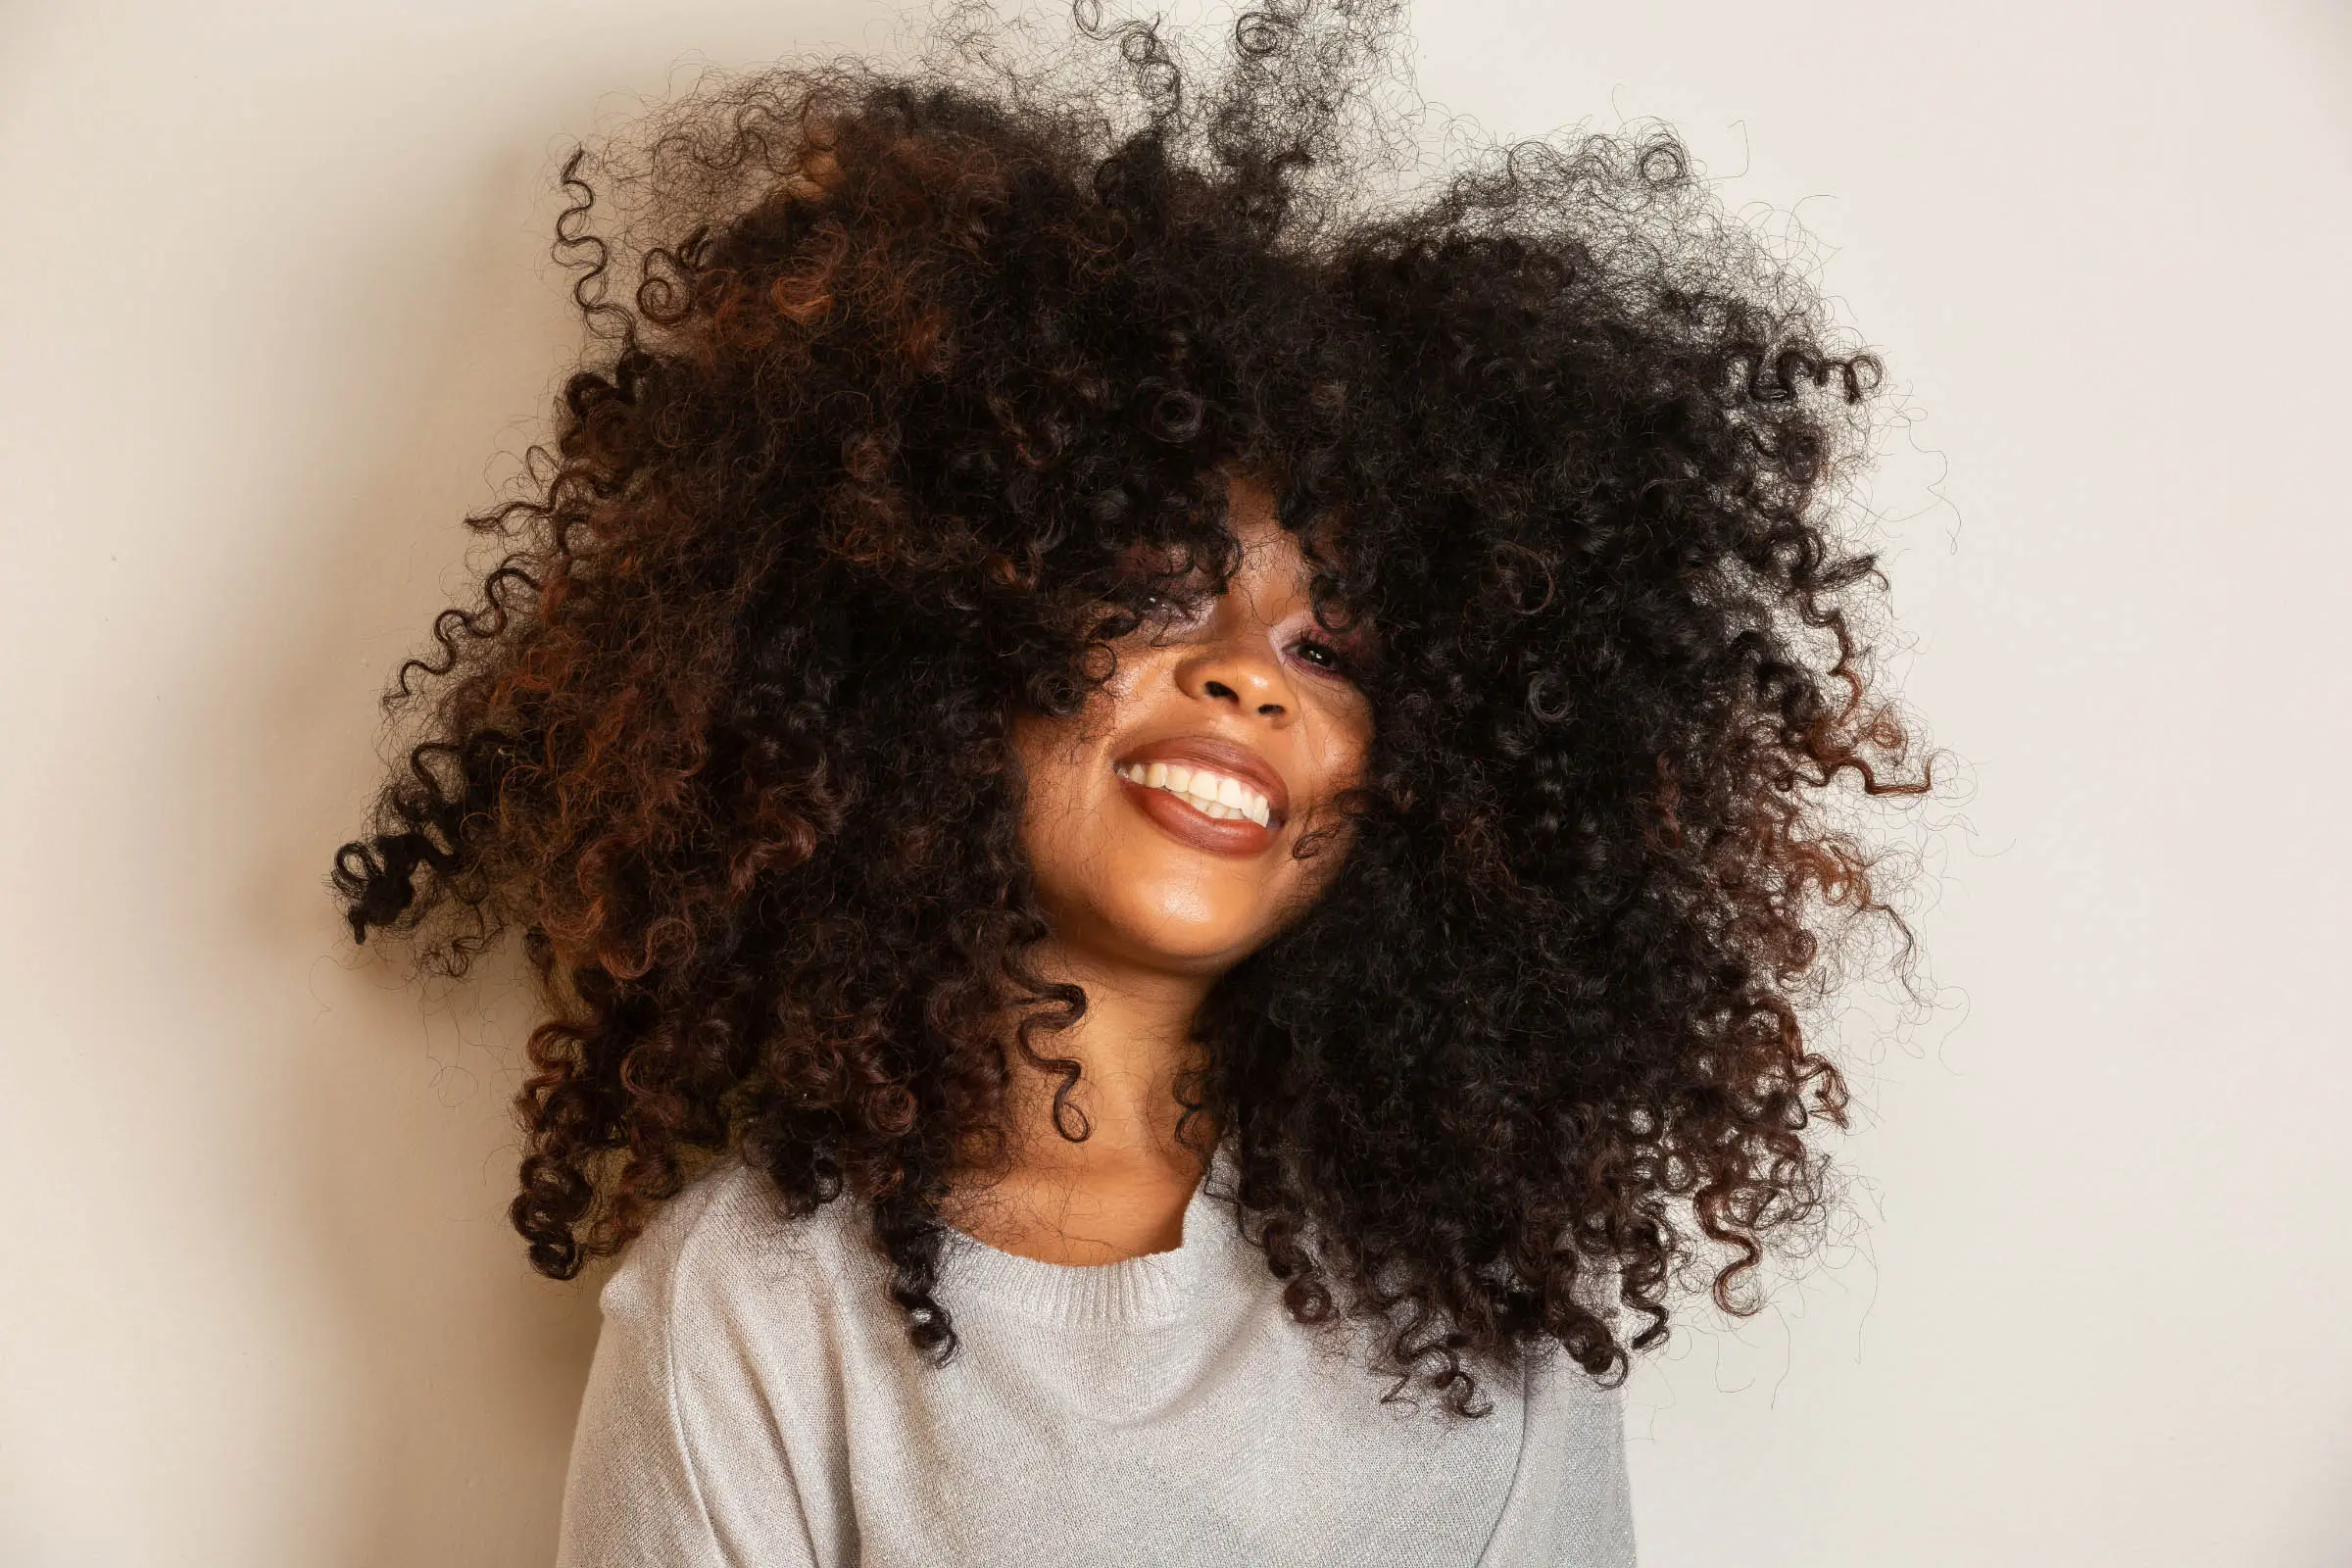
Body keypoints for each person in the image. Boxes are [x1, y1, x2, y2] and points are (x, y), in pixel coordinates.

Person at [330, 2, 1925, 1561]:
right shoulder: (749, 1308)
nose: (1245, 671)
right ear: (938, 647)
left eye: (1333, 647)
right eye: (1162, 594)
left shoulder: (1471, 1281)